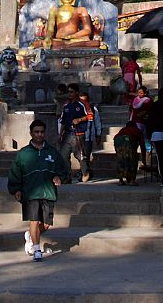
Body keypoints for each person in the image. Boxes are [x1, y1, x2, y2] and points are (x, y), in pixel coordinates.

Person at [7, 119, 66, 262]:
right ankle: (37, 249)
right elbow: (15, 172)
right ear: (31, 134)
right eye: (36, 132)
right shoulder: (23, 153)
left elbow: (63, 169)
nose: (39, 134)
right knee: (34, 220)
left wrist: (59, 177)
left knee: (45, 224)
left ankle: (30, 236)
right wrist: (16, 189)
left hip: (48, 192)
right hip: (30, 192)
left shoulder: (52, 151)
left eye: (42, 132)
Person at [57, 84, 90, 183]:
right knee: (64, 155)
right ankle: (67, 177)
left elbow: (90, 116)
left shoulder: (83, 104)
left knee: (79, 155)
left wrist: (79, 119)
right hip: (67, 134)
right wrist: (60, 134)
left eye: (71, 92)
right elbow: (63, 121)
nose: (69, 94)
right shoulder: (66, 105)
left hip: (78, 134)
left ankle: (85, 172)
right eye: (68, 92)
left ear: (76, 93)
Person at [147, 87, 163, 184]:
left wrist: (149, 135)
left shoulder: (154, 105)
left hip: (157, 135)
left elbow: (149, 121)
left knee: (161, 158)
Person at [79, 90, 102, 178]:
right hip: (78, 135)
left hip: (88, 136)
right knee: (80, 155)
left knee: (86, 155)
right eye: (81, 101)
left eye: (85, 101)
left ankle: (86, 172)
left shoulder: (92, 109)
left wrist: (98, 135)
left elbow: (97, 122)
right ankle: (84, 171)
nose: (83, 103)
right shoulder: (76, 108)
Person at [113, 120, 142, 185]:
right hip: (127, 140)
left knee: (120, 160)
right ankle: (132, 180)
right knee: (132, 160)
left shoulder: (123, 129)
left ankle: (120, 180)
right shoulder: (137, 130)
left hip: (117, 140)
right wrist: (144, 158)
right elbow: (142, 145)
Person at [130, 87, 152, 168]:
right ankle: (135, 162)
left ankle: (146, 162)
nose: (140, 94)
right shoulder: (136, 100)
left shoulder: (148, 100)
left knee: (145, 142)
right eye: (138, 92)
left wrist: (143, 113)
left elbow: (148, 110)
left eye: (141, 93)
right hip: (135, 122)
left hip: (143, 123)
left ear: (145, 93)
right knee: (136, 142)